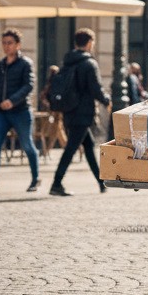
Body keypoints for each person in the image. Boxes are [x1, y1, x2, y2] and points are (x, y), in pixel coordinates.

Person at [0, 29, 41, 195]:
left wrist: (12, 101)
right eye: (4, 43)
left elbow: (29, 86)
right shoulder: (0, 66)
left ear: (18, 45)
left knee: (27, 145)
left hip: (21, 111)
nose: (6, 46)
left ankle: (35, 179)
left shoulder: (25, 63)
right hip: (1, 113)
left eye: (10, 43)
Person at [49, 28, 110, 196]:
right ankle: (56, 183)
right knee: (70, 149)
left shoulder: (68, 61)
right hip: (83, 113)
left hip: (69, 111)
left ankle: (101, 183)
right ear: (89, 43)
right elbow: (96, 89)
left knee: (88, 146)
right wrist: (106, 100)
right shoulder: (89, 63)